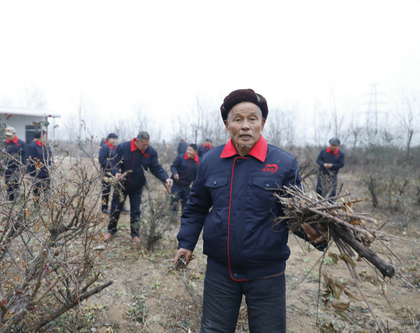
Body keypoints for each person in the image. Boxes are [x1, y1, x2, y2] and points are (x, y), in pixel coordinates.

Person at [174, 89, 326, 332]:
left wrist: (318, 235)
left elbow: (296, 215)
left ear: (262, 124)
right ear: (227, 125)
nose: (245, 126)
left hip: (267, 274)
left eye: (252, 119)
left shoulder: (283, 163)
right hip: (220, 272)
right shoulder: (211, 162)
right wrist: (186, 242)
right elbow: (196, 208)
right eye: (238, 119)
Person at [105, 131, 173, 243]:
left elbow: (156, 168)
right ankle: (111, 230)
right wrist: (116, 173)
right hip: (121, 185)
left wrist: (166, 178)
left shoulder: (150, 152)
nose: (146, 147)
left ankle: (134, 234)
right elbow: (115, 163)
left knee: (136, 210)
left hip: (137, 185)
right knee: (115, 208)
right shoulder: (123, 147)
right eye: (144, 145)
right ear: (136, 141)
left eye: (147, 144)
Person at [170, 143, 199, 211]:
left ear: (195, 152)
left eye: (190, 150)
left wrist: (195, 187)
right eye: (187, 149)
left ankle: (184, 219)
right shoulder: (180, 157)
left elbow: (196, 176)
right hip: (176, 184)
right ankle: (173, 218)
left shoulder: (198, 162)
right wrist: (175, 173)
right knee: (175, 201)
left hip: (186, 186)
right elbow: (173, 166)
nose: (188, 151)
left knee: (186, 204)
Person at [25, 131, 52, 198]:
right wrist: (28, 171)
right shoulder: (32, 145)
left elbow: (49, 156)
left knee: (47, 191)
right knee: (36, 192)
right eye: (45, 134)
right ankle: (36, 206)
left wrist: (50, 167)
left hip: (46, 173)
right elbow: (29, 159)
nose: (46, 136)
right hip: (37, 173)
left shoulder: (46, 145)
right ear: (41, 136)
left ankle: (47, 205)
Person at [3, 127, 26, 201]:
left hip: (16, 166)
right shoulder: (4, 143)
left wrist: (23, 164)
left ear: (14, 134)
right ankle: (10, 199)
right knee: (7, 182)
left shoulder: (21, 143)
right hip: (7, 166)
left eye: (10, 135)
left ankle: (15, 198)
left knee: (14, 181)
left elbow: (24, 155)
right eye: (7, 135)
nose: (8, 137)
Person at [99, 133, 118, 214]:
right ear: (108, 139)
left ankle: (118, 207)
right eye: (113, 139)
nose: (115, 141)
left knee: (118, 189)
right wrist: (112, 165)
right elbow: (102, 160)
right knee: (106, 190)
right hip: (106, 171)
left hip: (115, 171)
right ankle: (104, 208)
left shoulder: (115, 148)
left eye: (116, 139)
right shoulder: (104, 147)